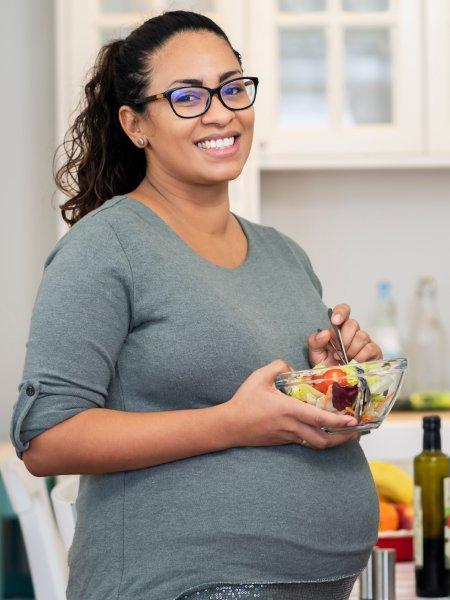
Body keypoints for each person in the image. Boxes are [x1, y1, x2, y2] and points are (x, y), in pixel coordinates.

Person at [10, 10, 382, 600]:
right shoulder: (105, 248)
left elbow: (281, 413)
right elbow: (46, 439)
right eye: (187, 96)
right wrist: (230, 424)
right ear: (136, 124)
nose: (220, 111)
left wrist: (335, 376)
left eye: (233, 87)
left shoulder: (283, 254)